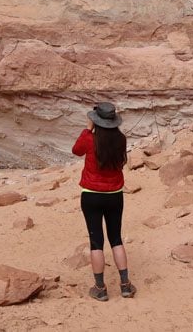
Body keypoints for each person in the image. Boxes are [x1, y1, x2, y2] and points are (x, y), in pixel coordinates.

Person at [71, 101, 137, 301]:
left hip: (91, 194)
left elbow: (76, 150)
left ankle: (100, 288)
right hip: (114, 195)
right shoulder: (121, 139)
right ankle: (125, 285)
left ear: (96, 121)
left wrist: (87, 128)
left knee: (96, 242)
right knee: (115, 238)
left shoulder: (90, 140)